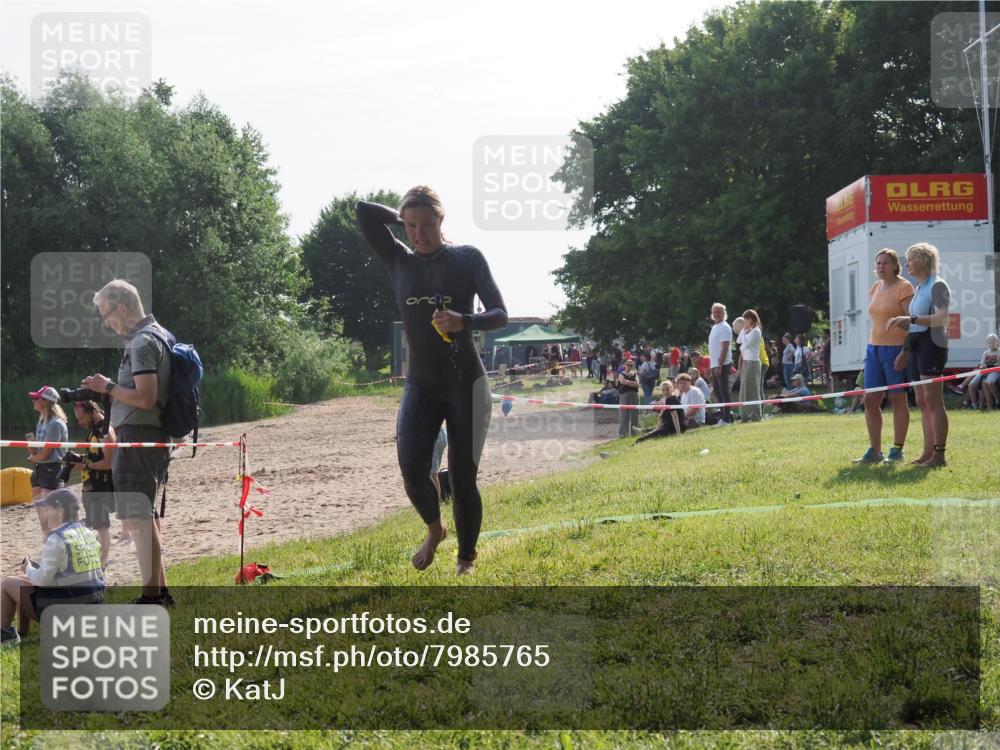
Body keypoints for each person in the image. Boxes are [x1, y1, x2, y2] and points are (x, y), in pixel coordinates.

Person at [356, 187, 507, 575]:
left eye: (427, 224)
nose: (419, 233)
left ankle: (466, 560)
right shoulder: (398, 259)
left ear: (441, 221)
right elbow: (363, 211)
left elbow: (500, 314)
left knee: (462, 477)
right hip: (422, 384)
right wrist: (400, 216)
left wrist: (464, 321)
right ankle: (435, 529)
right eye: (411, 226)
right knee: (412, 469)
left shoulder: (467, 258)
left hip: (466, 383)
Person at [81, 279, 173, 606]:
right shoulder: (158, 334)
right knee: (144, 516)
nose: (107, 323)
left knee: (139, 518)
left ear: (122, 308)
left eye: (106, 315)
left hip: (139, 436)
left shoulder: (141, 342)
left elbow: (145, 398)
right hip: (147, 436)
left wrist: (107, 387)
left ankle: (152, 597)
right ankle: (160, 591)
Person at [0, 488, 105, 647]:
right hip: (93, 609)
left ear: (60, 511)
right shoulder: (88, 534)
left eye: (48, 509)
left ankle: (5, 635)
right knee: (23, 580)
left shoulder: (57, 538)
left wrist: (28, 568)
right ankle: (21, 633)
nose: (45, 514)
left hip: (67, 614)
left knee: (8, 583)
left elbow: (42, 580)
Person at [888, 243, 952, 468]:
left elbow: (943, 318)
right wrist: (905, 350)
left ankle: (939, 455)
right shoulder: (920, 287)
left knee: (934, 402)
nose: (906, 264)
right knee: (922, 402)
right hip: (917, 346)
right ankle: (927, 453)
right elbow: (914, 324)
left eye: (910, 259)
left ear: (924, 260)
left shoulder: (938, 285)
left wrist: (911, 320)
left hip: (933, 344)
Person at [852, 248, 915, 464]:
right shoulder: (875, 287)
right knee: (870, 401)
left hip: (895, 349)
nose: (880, 266)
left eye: (885, 263)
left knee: (897, 399)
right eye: (878, 263)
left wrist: (906, 351)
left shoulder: (904, 287)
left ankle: (897, 450)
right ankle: (875, 450)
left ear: (895, 266)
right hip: (874, 350)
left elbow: (912, 322)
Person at [70, 400, 117, 570]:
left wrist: (86, 465)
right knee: (96, 524)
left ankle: (103, 563)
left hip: (100, 486)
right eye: (77, 419)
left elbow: (109, 463)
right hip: (92, 484)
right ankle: (100, 560)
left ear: (92, 412)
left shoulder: (104, 430)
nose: (80, 422)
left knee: (102, 527)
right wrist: (82, 460)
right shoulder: (95, 429)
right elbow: (97, 457)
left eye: (82, 418)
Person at [25, 386, 69, 533]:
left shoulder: (55, 423)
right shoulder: (42, 421)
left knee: (52, 513)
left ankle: (56, 541)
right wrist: (32, 448)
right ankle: (47, 540)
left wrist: (32, 458)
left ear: (45, 401)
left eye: (35, 398)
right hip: (39, 469)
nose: (33, 401)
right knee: (42, 512)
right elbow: (40, 452)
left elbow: (45, 454)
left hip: (52, 469)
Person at [708, 303, 734, 425]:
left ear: (724, 313)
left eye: (719, 312)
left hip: (722, 364)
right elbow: (713, 348)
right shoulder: (714, 327)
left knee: (724, 391)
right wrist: (711, 365)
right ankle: (724, 416)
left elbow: (725, 348)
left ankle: (726, 419)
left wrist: (719, 365)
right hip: (714, 364)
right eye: (714, 312)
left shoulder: (725, 327)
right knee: (717, 392)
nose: (716, 314)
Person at [737, 309, 764, 422]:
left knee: (752, 390)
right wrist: (744, 331)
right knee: (744, 389)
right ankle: (744, 415)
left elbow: (746, 345)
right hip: (746, 362)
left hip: (753, 363)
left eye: (745, 320)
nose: (744, 323)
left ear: (750, 319)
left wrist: (744, 333)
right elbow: (739, 341)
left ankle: (755, 415)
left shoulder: (756, 331)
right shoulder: (749, 331)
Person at [965, 333, 1000, 410]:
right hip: (985, 371)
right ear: (987, 343)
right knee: (971, 385)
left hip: (995, 371)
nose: (992, 344)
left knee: (989, 382)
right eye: (990, 342)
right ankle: (974, 405)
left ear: (997, 342)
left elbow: (998, 366)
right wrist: (982, 366)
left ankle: (997, 399)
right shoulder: (985, 353)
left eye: (993, 342)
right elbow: (982, 365)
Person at [617, 359, 640, 437]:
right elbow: (622, 382)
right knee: (624, 415)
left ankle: (634, 433)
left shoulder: (635, 374)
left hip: (634, 395)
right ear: (625, 365)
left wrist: (628, 382)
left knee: (635, 414)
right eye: (627, 364)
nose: (629, 366)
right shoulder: (621, 374)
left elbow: (637, 384)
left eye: (631, 365)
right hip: (624, 395)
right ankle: (623, 434)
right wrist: (631, 383)